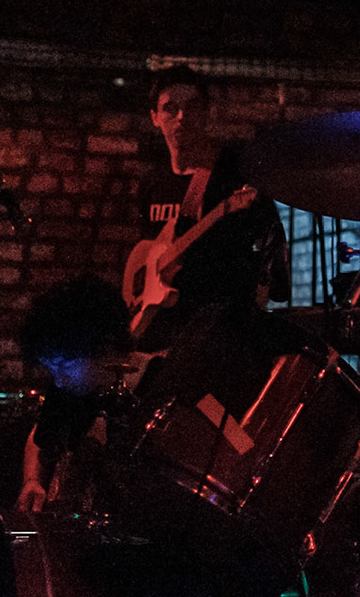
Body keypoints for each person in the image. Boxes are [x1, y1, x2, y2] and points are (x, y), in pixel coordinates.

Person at [129, 66, 290, 343]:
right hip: (162, 329)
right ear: (155, 117)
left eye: (192, 107)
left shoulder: (230, 176)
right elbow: (148, 248)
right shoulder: (152, 182)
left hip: (216, 328)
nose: (182, 117)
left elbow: (263, 250)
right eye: (170, 108)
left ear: (207, 114)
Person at [15, 274, 134, 513]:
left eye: (63, 367)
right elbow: (39, 436)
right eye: (51, 370)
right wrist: (32, 481)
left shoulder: (152, 388)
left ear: (105, 346)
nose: (58, 381)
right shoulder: (70, 390)